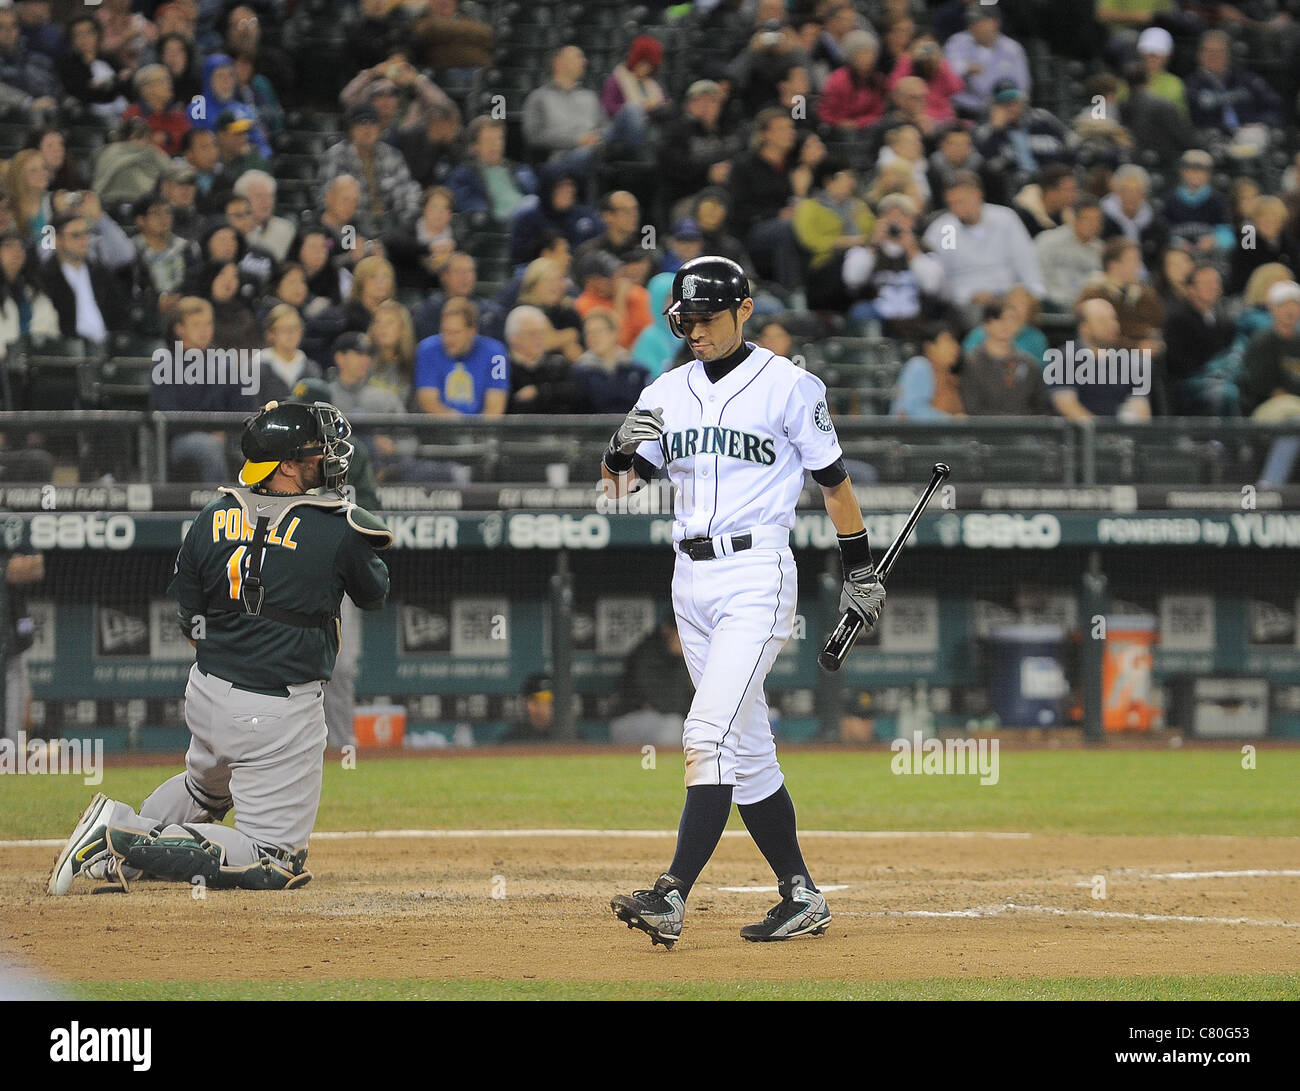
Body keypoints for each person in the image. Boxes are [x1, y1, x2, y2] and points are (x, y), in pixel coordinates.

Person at [604, 256, 885, 947]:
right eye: (685, 320)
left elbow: (834, 483)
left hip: (757, 572)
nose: (694, 330)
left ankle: (671, 893)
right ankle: (801, 894)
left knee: (708, 735)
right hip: (689, 578)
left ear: (744, 309)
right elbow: (618, 490)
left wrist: (861, 567)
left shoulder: (790, 385)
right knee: (749, 749)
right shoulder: (665, 390)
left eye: (705, 318)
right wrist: (615, 456)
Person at [48, 400, 392, 896]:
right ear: (288, 465)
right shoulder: (339, 526)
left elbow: (190, 621)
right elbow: (374, 593)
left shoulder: (212, 515)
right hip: (276, 709)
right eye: (317, 454)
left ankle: (115, 841)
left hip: (207, 693)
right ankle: (120, 838)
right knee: (276, 862)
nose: (328, 461)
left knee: (204, 791)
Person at [1049, 297, 1152, 422]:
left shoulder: (1128, 361)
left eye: (1113, 319)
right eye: (1102, 321)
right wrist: (1101, 435)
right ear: (1084, 329)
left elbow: (1141, 406)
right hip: (1080, 436)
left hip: (1121, 435)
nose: (1112, 325)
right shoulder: (1065, 359)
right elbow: (1067, 405)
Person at [1244, 280, 1300, 485]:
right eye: (1285, 304)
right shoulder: (1263, 342)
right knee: (1294, 424)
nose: (1291, 310)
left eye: (1295, 305)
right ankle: (1269, 487)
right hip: (1266, 411)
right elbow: (1263, 388)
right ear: (1273, 308)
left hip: (1295, 408)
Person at [414, 297, 509, 416]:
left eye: (456, 333)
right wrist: (459, 426)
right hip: (439, 429)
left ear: (472, 331)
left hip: (483, 431)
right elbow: (428, 402)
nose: (448, 339)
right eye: (445, 331)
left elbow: (495, 408)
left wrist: (475, 432)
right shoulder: (426, 351)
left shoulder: (497, 355)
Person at [609, 616, 695, 746]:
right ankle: (664, 766)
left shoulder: (683, 658)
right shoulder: (647, 655)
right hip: (629, 720)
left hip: (658, 719)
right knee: (674, 725)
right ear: (667, 630)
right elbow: (665, 704)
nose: (685, 638)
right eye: (680, 632)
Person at [960, 298, 1051, 416]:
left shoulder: (1030, 364)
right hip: (984, 431)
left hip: (1026, 431)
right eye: (999, 318)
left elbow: (1041, 406)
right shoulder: (971, 362)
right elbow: (971, 407)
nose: (1005, 325)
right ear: (986, 324)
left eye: (1011, 319)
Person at [1035, 196, 1105, 312]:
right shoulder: (1048, 241)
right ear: (1074, 219)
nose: (1092, 224)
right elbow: (1035, 275)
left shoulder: (1101, 250)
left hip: (1083, 310)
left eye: (1096, 220)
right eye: (1087, 219)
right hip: (1049, 303)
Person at [890, 322, 964, 418]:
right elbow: (912, 409)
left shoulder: (949, 377)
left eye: (955, 342)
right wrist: (951, 421)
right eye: (948, 341)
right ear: (930, 347)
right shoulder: (919, 365)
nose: (955, 347)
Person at [499, 673, 554, 743]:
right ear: (528, 704)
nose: (549, 706)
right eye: (543, 700)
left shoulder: (566, 735)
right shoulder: (514, 740)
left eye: (551, 701)